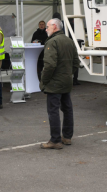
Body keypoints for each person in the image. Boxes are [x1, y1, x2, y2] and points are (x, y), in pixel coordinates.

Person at [40, 18, 80, 150]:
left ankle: (55, 140)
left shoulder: (52, 41)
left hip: (55, 83)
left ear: (55, 27)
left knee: (53, 111)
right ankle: (67, 137)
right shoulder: (69, 41)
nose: (46, 29)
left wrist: (44, 81)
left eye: (47, 27)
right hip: (66, 81)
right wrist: (68, 74)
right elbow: (76, 62)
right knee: (67, 109)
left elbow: (49, 65)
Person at [52, 12, 81, 85]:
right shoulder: (64, 24)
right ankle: (74, 79)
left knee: (62, 62)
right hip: (70, 44)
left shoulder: (54, 25)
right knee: (73, 61)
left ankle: (67, 79)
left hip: (61, 46)